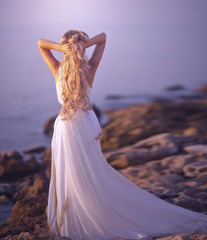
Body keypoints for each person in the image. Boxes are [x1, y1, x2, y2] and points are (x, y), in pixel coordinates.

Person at [38, 30, 207, 240]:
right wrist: (85, 44)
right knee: (91, 172)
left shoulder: (57, 70)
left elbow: (41, 44)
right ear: (82, 48)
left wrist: (63, 48)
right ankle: (92, 214)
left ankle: (78, 218)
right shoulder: (90, 69)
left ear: (65, 48)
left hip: (64, 125)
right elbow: (103, 37)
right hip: (84, 123)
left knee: (71, 172)